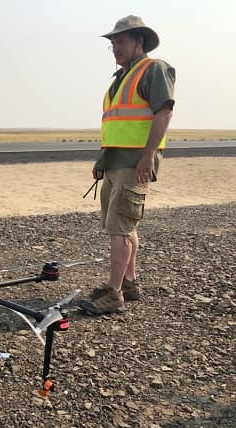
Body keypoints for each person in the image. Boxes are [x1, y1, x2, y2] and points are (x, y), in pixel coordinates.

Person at [78, 15, 175, 315]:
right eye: (112, 43)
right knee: (124, 226)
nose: (115, 47)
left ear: (139, 41)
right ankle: (128, 282)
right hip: (115, 163)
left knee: (118, 229)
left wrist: (147, 156)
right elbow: (116, 125)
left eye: (120, 41)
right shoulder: (120, 78)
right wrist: (102, 160)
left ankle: (113, 293)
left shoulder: (154, 69)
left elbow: (164, 112)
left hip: (134, 163)